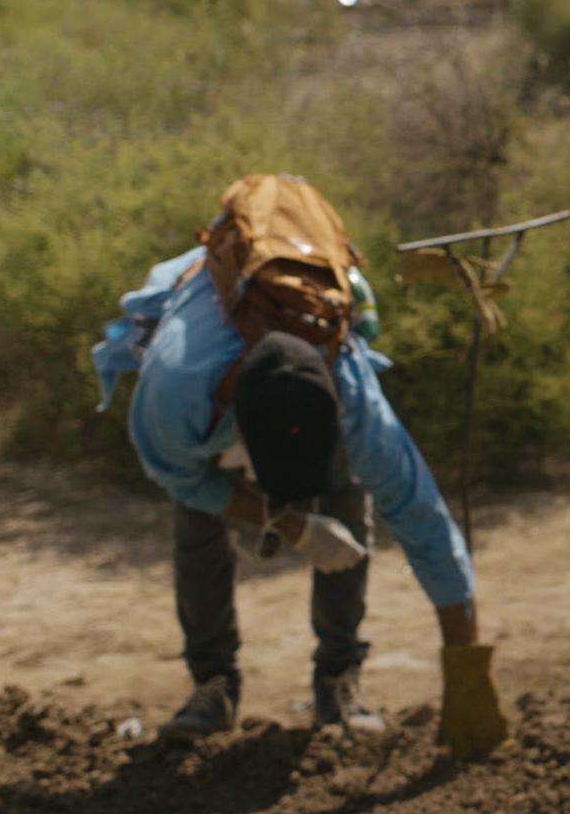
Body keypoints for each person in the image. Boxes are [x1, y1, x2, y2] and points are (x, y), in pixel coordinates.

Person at [97, 202, 509, 760]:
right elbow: (182, 479)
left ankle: (339, 682)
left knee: (347, 518)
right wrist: (285, 522)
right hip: (207, 392)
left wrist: (465, 668)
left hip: (296, 401)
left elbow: (425, 522)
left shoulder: (355, 403)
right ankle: (212, 685)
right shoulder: (174, 395)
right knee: (199, 530)